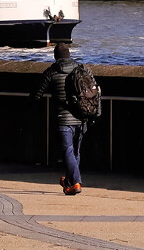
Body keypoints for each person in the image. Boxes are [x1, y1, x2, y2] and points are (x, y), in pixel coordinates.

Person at [30, 42, 87, 196]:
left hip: (63, 118)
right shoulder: (81, 69)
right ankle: (69, 183)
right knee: (76, 152)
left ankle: (76, 182)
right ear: (69, 55)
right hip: (81, 117)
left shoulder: (51, 72)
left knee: (68, 151)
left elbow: (36, 95)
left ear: (55, 57)